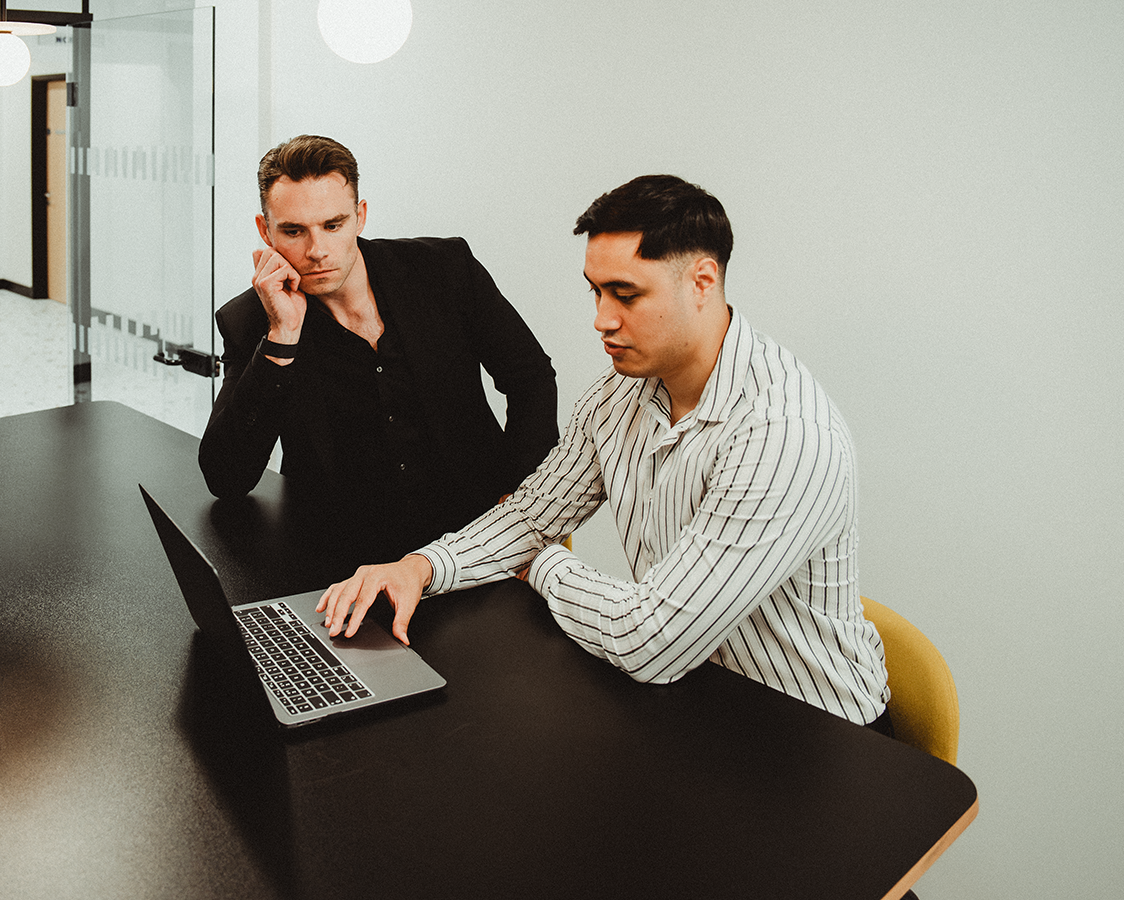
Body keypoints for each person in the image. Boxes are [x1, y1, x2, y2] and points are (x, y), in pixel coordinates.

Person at [318, 174, 891, 726]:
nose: (601, 320)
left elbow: (651, 641)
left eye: (626, 295)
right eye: (596, 291)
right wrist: (419, 568)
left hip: (815, 738)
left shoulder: (783, 432)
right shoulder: (621, 390)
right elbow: (531, 513)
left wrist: (541, 563)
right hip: (697, 702)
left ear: (702, 282)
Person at [198, 135, 559, 566]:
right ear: (265, 231)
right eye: (293, 231)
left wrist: (520, 499)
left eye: (333, 225)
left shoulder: (444, 270)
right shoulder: (253, 322)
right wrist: (282, 335)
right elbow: (226, 477)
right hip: (344, 560)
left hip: (474, 541)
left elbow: (530, 377)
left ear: (360, 216)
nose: (316, 251)